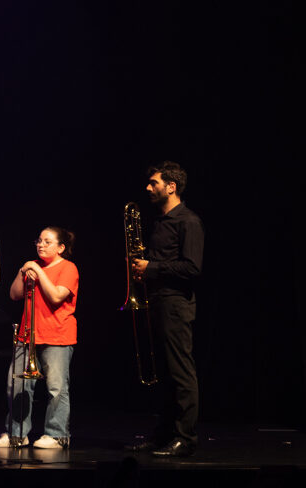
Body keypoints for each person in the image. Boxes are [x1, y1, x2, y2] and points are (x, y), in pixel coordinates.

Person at [128, 161, 203, 457]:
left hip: (176, 304)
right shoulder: (160, 221)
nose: (148, 188)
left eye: (154, 183)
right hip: (157, 301)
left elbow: (192, 267)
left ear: (171, 187)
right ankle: (163, 435)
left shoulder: (188, 221)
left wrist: (152, 267)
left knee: (181, 373)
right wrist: (142, 266)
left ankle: (185, 437)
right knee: (164, 374)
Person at [0, 227, 78, 449]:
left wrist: (37, 272)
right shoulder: (32, 266)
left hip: (57, 335)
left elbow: (57, 296)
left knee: (56, 388)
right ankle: (17, 433)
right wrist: (24, 271)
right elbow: (14, 294)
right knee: (18, 384)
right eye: (39, 240)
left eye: (47, 242)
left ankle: (57, 434)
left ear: (61, 247)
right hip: (28, 335)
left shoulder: (68, 268)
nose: (40, 245)